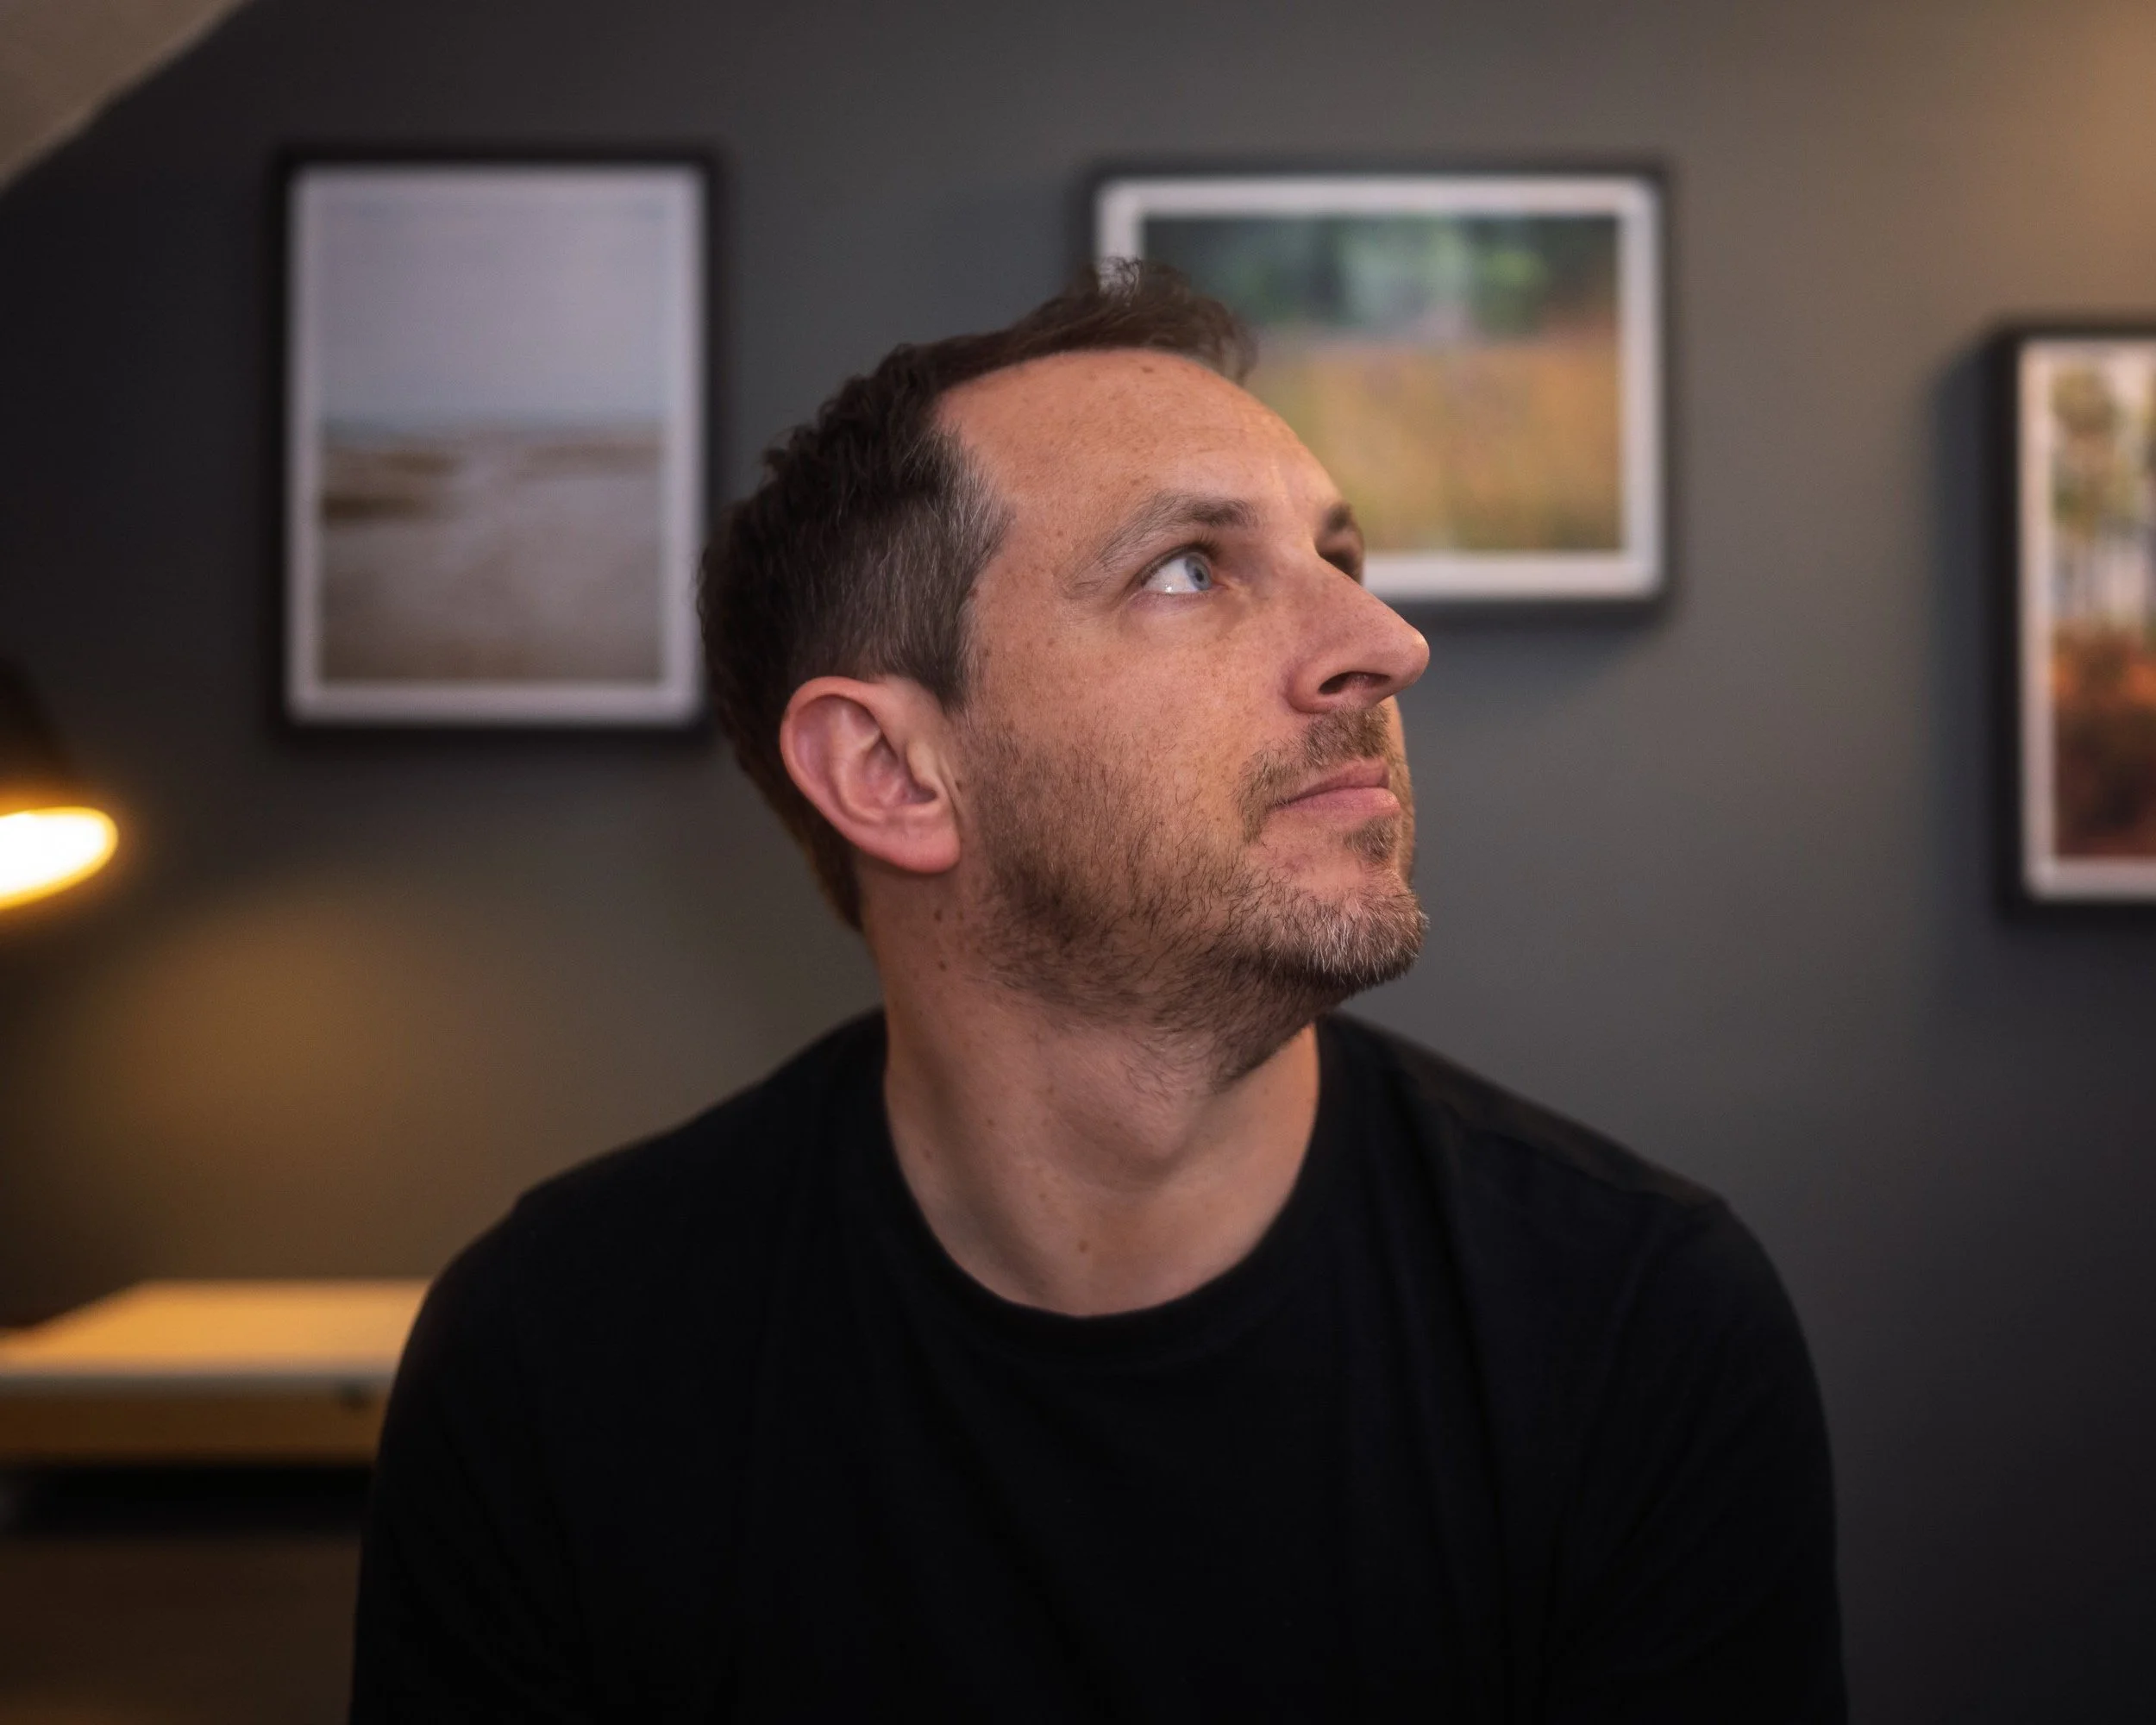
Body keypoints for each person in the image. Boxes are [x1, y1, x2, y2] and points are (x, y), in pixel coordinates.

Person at [350, 263, 1843, 1722]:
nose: (1385, 648)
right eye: (1188, 569)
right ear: (891, 772)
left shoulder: (1632, 1327)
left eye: (1342, 560)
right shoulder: (561, 1362)